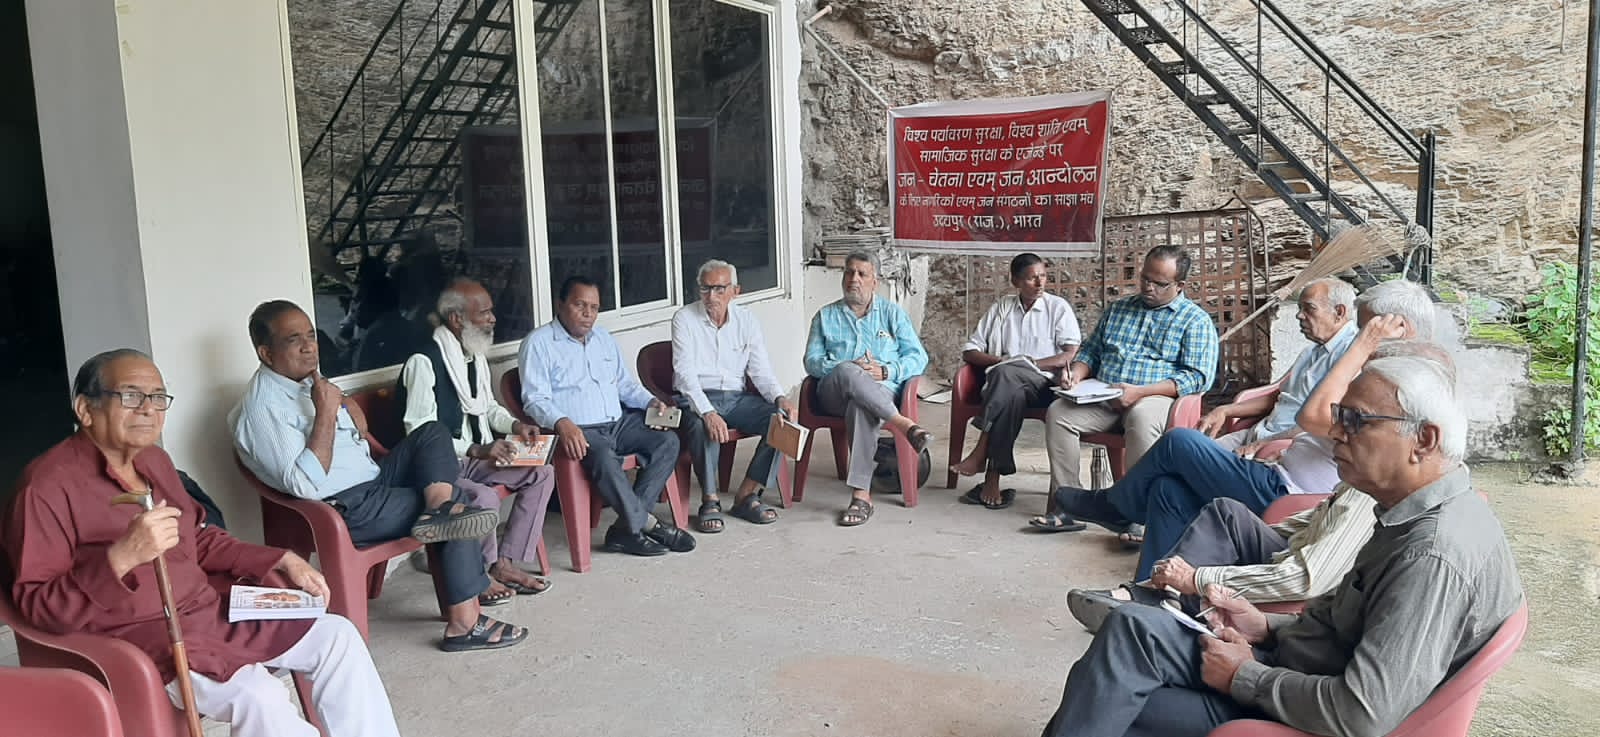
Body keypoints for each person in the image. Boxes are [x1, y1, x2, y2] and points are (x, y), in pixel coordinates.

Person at [1038, 355, 1522, 737]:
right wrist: (1265, 626)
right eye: (1340, 416)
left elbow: (1363, 712)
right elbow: (1351, 626)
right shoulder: (1412, 511)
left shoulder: (1431, 555)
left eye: (1356, 420)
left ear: (1424, 440)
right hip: (1303, 669)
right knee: (1131, 635)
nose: (1336, 432)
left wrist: (1245, 676)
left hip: (1314, 708)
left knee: (1118, 684)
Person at [7, 349, 401, 737]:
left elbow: (198, 538)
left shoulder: (155, 461)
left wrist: (280, 559)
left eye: (158, 397)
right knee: (258, 695)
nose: (148, 409)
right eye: (130, 396)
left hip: (210, 611)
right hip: (144, 637)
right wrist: (120, 558)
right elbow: (36, 605)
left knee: (337, 637)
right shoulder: (45, 489)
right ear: (85, 408)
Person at [1039, 282, 1427, 581]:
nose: (1359, 336)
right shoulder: (1361, 369)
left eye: (1364, 328)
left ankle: (1115, 506)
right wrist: (1239, 418)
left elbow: (1312, 417)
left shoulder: (1393, 391)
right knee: (1168, 489)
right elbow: (1291, 403)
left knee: (1178, 442)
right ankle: (1149, 588)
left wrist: (1360, 347)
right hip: (1277, 468)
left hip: (1288, 490)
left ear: (1399, 329)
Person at [232, 300, 528, 653]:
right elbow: (304, 485)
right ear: (266, 353)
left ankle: (439, 509)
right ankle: (463, 624)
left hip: (373, 482)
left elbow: (356, 433)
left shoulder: (306, 383)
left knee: (432, 432)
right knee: (461, 502)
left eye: (311, 335)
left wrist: (342, 404)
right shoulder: (262, 409)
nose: (309, 346)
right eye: (293, 340)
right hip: (343, 506)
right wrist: (326, 413)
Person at [399, 278, 556, 606]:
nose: (492, 319)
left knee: (542, 473)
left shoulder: (473, 355)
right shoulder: (424, 362)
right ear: (457, 318)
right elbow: (420, 432)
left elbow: (487, 407)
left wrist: (516, 425)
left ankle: (504, 563)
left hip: (477, 459)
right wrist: (475, 449)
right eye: (483, 313)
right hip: (440, 469)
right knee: (483, 497)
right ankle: (479, 576)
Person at [518, 276, 692, 557]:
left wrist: (650, 401)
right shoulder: (538, 343)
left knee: (667, 441)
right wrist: (562, 423)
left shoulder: (603, 338)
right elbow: (534, 400)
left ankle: (626, 528)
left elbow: (624, 385)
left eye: (594, 307)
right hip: (579, 430)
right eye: (580, 305)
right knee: (603, 456)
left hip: (618, 423)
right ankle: (647, 524)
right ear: (560, 304)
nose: (588, 314)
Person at [1045, 245, 1218, 501]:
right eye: (1145, 278)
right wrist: (1077, 374)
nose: (1148, 287)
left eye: (1159, 283)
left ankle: (1135, 508)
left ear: (1179, 285)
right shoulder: (1119, 309)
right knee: (1059, 413)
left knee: (1141, 417)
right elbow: (1091, 351)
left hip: (1155, 398)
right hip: (1104, 396)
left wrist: (1141, 392)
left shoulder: (1195, 321)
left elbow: (1198, 377)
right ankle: (1067, 501)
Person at [803, 250, 931, 526]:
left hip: (880, 390)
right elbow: (811, 362)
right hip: (833, 393)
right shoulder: (825, 316)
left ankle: (861, 496)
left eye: (862, 274)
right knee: (848, 371)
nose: (854, 279)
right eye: (849, 272)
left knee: (861, 407)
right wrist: (848, 366)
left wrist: (887, 371)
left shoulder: (892, 314)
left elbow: (918, 357)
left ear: (875, 281)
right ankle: (904, 424)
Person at [950, 253, 1082, 510]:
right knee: (1010, 389)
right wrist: (1003, 361)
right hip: (1007, 386)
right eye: (1032, 278)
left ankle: (982, 453)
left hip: (1044, 385)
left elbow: (1069, 353)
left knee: (1007, 374)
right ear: (1016, 282)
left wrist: (1030, 364)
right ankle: (992, 475)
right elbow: (970, 351)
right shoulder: (1002, 308)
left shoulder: (1057, 308)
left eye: (1043, 276)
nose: (1040, 283)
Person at [671, 259, 793, 533]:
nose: (711, 296)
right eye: (705, 289)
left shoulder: (746, 320)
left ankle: (747, 494)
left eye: (719, 289)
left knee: (781, 422)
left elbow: (760, 370)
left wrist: (779, 397)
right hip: (696, 398)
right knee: (702, 426)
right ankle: (709, 500)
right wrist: (707, 411)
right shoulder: (684, 318)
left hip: (736, 398)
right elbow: (685, 375)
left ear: (735, 291)